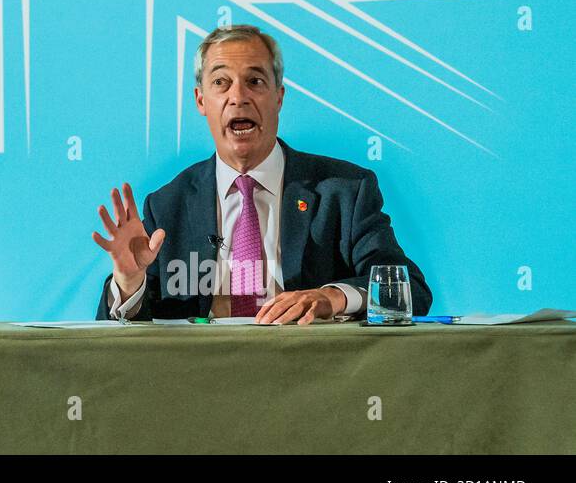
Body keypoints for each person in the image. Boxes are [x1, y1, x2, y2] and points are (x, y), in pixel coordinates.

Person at [93, 24, 432, 324]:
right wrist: (128, 282)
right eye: (221, 83)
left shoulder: (343, 192)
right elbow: (125, 339)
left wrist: (332, 297)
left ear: (279, 97)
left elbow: (408, 291)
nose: (238, 97)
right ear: (201, 101)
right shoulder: (167, 206)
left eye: (255, 81)